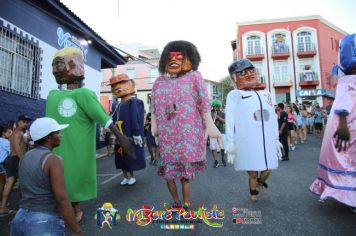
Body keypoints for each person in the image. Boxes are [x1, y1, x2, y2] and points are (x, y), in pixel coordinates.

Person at [46, 47, 135, 222]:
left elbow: (103, 118)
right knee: (54, 177)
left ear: (74, 65)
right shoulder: (52, 95)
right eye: (54, 65)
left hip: (77, 148)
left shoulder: (84, 94)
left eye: (59, 64)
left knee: (72, 175)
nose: (56, 69)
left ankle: (74, 206)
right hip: (54, 148)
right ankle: (61, 206)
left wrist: (122, 138)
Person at [151, 40, 221, 210]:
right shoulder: (159, 81)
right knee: (169, 175)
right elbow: (154, 106)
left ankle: (187, 204)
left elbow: (204, 100)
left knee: (184, 177)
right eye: (170, 57)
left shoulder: (194, 76)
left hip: (186, 135)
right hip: (167, 136)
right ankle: (176, 202)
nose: (174, 60)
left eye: (180, 57)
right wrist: (154, 125)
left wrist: (210, 123)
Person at [10, 117, 82, 235]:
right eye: (57, 132)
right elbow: (62, 199)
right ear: (48, 137)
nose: (60, 135)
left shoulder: (25, 157)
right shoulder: (54, 160)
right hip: (42, 222)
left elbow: (23, 190)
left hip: (19, 219)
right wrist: (77, 230)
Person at [310, 33, 356, 213]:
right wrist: (343, 126)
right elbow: (343, 104)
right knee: (347, 159)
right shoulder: (348, 80)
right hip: (348, 126)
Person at [225, 59, 281, 201]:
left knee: (268, 168)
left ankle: (261, 183)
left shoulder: (266, 94)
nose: (248, 74)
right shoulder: (234, 95)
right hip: (248, 141)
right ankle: (253, 192)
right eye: (242, 72)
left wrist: (276, 139)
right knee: (252, 172)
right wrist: (230, 141)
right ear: (234, 77)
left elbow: (273, 118)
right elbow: (230, 118)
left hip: (266, 140)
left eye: (251, 71)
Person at [108, 73, 146, 185]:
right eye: (114, 85)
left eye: (122, 83)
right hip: (119, 136)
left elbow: (136, 118)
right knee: (120, 157)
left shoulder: (135, 102)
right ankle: (125, 176)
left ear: (132, 84)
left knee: (130, 156)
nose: (118, 87)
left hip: (129, 135)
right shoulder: (116, 105)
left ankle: (132, 176)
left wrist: (136, 133)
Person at [0, 115, 31, 215]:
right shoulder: (18, 133)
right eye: (24, 122)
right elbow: (17, 147)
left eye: (27, 122)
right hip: (15, 159)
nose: (26, 124)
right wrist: (23, 160)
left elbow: (20, 144)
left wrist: (27, 143)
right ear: (18, 122)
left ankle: (3, 207)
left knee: (10, 183)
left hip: (11, 159)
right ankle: (25, 207)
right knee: (22, 183)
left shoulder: (15, 133)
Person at [210, 99, 226, 167]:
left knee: (222, 147)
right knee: (213, 147)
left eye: (217, 106)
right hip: (212, 132)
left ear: (219, 106)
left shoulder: (223, 113)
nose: (215, 107)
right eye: (214, 106)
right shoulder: (210, 113)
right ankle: (215, 161)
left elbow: (225, 121)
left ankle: (222, 158)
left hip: (221, 131)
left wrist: (218, 118)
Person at [0, 125, 13, 211]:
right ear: (3, 133)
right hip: (1, 165)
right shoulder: (6, 142)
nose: (11, 134)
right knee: (2, 184)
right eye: (9, 132)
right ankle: (2, 205)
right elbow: (12, 152)